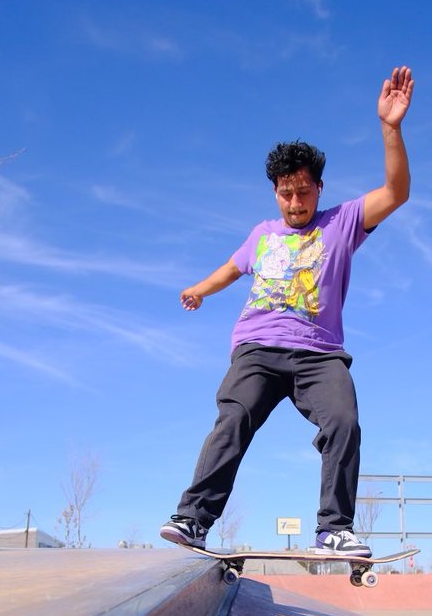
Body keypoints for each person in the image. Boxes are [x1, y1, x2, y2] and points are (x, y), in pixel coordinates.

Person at [161, 66, 414, 556]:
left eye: (303, 191)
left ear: (318, 188)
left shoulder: (343, 222)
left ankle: (334, 528)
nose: (294, 202)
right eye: (285, 193)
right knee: (233, 418)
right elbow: (232, 270)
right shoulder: (262, 233)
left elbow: (397, 192)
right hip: (257, 347)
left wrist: (390, 129)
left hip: (319, 354)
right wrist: (199, 289)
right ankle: (193, 518)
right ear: (274, 191)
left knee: (343, 421)